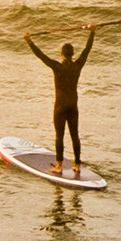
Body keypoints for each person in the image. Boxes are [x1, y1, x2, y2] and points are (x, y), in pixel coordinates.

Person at [25, 23, 97, 173]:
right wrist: (92, 32)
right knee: (75, 135)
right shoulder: (78, 65)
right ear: (72, 54)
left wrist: (29, 41)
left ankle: (59, 166)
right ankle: (77, 165)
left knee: (59, 136)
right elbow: (87, 51)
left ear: (62, 55)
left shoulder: (57, 67)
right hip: (73, 106)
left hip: (60, 107)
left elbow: (41, 56)